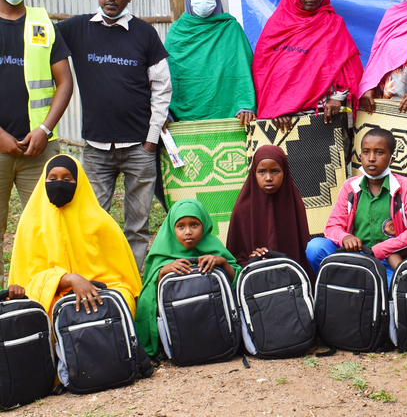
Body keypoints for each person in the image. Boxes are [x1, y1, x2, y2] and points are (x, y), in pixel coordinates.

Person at [55, 0, 172, 270]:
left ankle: (131, 285)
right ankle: (99, 281)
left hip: (139, 149)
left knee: (137, 227)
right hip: (95, 149)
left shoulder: (145, 33)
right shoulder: (76, 29)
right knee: (92, 222)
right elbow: (40, 37)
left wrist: (151, 139)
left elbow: (162, 87)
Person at [0, 0, 73, 287]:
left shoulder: (42, 22)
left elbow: (65, 83)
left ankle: (42, 298)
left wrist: (45, 129)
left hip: (38, 150)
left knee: (48, 226)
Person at [8, 155, 141, 316]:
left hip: (100, 291)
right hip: (51, 294)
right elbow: (28, 282)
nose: (59, 184)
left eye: (67, 179)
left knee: (122, 301)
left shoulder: (101, 222)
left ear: (79, 183)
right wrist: (68, 280)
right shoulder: (30, 224)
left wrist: (91, 288)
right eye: (52, 178)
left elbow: (124, 280)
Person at [305, 128, 407, 286]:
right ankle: (340, 286)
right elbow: (332, 227)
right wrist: (346, 238)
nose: (371, 158)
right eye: (366, 152)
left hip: (389, 261)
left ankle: (357, 285)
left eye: (379, 152)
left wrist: (381, 250)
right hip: (354, 257)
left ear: (391, 159)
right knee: (315, 248)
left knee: (395, 288)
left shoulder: (404, 187)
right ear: (360, 155)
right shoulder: (350, 187)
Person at [252, 0, 363, 132]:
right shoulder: (276, 27)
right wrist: (275, 108)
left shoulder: (334, 25)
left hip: (326, 119)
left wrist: (337, 98)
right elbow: (264, 74)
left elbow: (350, 69)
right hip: (283, 123)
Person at [135, 198, 242, 357]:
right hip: (179, 325)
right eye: (180, 226)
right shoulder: (162, 251)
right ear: (172, 228)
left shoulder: (213, 247)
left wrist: (223, 263)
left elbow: (237, 282)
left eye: (194, 224)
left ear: (204, 225)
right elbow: (148, 295)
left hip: (214, 322)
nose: (188, 232)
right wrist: (163, 271)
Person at [164, 0, 256, 123]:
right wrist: (165, 111)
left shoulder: (231, 28)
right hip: (183, 122)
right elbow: (165, 75)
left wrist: (245, 104)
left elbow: (244, 71)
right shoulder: (177, 31)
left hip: (232, 118)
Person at [225, 145, 313, 279]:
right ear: (254, 173)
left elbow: (302, 254)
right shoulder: (242, 209)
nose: (268, 178)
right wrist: (252, 261)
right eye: (261, 172)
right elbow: (235, 259)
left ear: (284, 172)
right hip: (254, 279)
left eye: (275, 171)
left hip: (292, 280)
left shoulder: (294, 204)